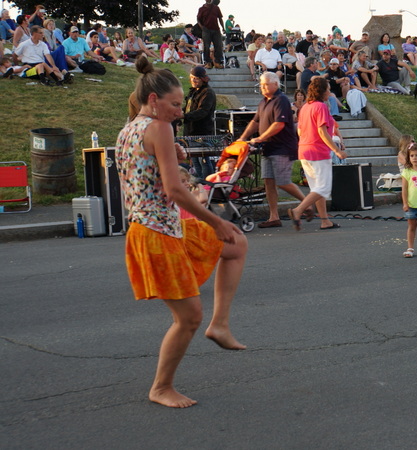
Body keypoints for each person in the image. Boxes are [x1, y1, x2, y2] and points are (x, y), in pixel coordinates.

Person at [115, 55, 248, 408]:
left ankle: (220, 325)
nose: (179, 111)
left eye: (180, 104)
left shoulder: (129, 129)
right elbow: (175, 190)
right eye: (175, 104)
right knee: (188, 317)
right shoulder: (159, 128)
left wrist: (173, 156)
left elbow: (148, 175)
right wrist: (215, 221)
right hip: (156, 232)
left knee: (236, 244)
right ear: (153, 100)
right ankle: (161, 387)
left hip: (157, 228)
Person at [239, 72, 308, 228]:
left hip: (282, 148)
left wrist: (261, 137)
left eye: (265, 84)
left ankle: (307, 204)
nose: (262, 87)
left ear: (276, 84)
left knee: (282, 182)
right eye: (261, 84)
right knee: (268, 182)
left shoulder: (281, 100)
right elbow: (255, 122)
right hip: (268, 148)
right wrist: (242, 137)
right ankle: (273, 217)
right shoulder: (263, 102)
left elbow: (279, 124)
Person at [286, 77, 347, 231]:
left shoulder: (305, 107)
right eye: (328, 89)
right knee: (324, 188)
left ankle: (325, 221)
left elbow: (300, 131)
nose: (329, 92)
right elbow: (322, 131)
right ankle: (298, 211)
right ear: (322, 91)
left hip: (304, 150)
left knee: (317, 188)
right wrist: (337, 150)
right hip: (318, 152)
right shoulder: (321, 107)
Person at [182, 65, 217, 178]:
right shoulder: (193, 91)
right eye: (191, 78)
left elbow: (203, 111)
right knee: (195, 161)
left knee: (204, 160)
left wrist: (184, 116)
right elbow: (188, 108)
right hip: (191, 131)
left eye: (196, 78)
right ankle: (200, 183)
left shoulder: (208, 93)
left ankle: (208, 183)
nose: (193, 80)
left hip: (202, 132)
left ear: (203, 79)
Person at [196, 0, 224, 69]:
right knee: (206, 46)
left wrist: (223, 27)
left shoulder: (216, 8)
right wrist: (202, 27)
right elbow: (198, 19)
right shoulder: (201, 9)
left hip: (216, 29)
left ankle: (217, 62)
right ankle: (208, 62)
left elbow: (220, 18)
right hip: (206, 30)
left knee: (218, 46)